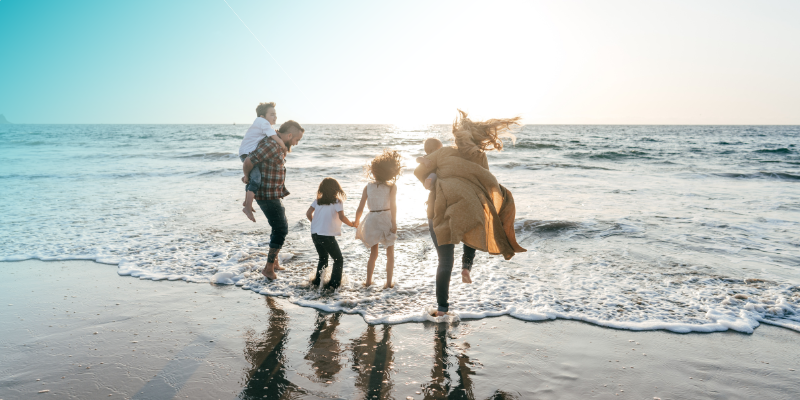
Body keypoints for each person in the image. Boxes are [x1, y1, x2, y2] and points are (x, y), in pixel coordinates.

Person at [415, 110, 526, 317]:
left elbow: (421, 170)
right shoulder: (479, 155)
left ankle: (441, 309)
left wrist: (430, 179)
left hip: (438, 211)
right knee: (473, 222)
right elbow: (484, 182)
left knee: (444, 262)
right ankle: (467, 266)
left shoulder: (444, 152)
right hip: (466, 209)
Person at [242, 120, 305, 280]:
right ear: (289, 135)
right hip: (267, 195)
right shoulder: (272, 144)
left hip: (273, 193)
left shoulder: (277, 144)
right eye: (296, 140)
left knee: (277, 227)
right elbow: (249, 160)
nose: (296, 143)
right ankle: (268, 269)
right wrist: (248, 177)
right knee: (281, 229)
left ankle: (274, 263)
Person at [354, 149, 402, 288]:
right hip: (386, 218)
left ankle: (368, 282)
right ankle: (388, 283)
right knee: (390, 253)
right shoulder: (392, 186)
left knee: (373, 254)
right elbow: (393, 205)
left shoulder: (367, 186)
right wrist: (394, 223)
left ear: (373, 171)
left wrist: (356, 221)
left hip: (372, 219)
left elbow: (360, 207)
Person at [238, 102, 289, 222]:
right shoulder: (262, 122)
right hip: (247, 154)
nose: (275, 117)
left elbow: (271, 134)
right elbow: (273, 136)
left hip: (246, 152)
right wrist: (283, 146)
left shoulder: (261, 124)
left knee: (253, 178)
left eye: (275, 114)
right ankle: (248, 207)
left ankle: (247, 201)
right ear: (262, 116)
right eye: (271, 114)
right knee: (255, 179)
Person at [306, 177, 356, 289]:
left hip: (315, 233)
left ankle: (317, 282)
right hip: (326, 236)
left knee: (323, 258)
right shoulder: (337, 201)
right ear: (336, 189)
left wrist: (316, 223)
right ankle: (334, 285)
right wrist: (352, 224)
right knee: (338, 259)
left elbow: (308, 213)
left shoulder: (317, 201)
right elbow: (342, 217)